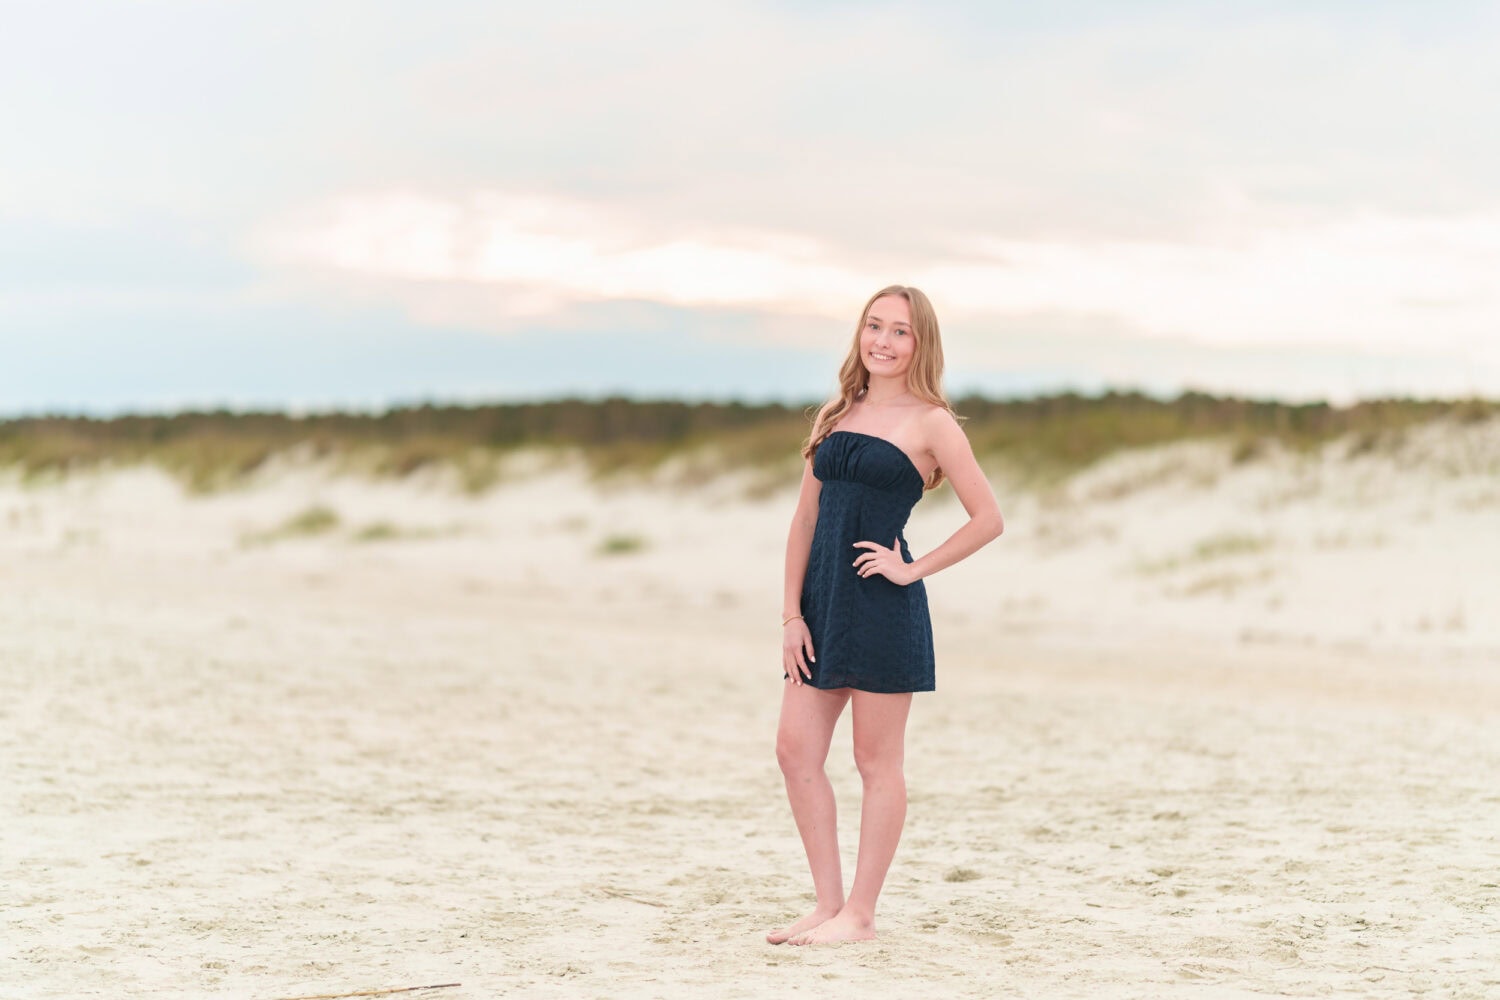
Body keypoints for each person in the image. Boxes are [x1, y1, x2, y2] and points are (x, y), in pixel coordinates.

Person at [768, 285, 1004, 946]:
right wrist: (790, 614)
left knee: (877, 762)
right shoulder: (836, 413)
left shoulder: (933, 423)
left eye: (900, 331)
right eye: (875, 326)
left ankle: (861, 916)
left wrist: (912, 566)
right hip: (820, 605)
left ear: (920, 343)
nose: (884, 341)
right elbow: (805, 519)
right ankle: (827, 904)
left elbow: (988, 518)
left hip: (881, 606)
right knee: (795, 751)